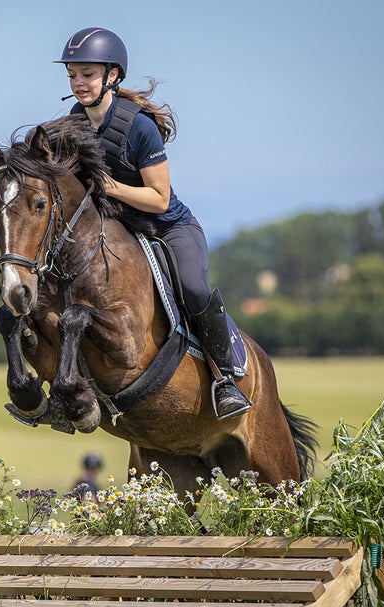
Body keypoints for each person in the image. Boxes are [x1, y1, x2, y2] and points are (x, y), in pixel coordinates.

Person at [54, 27, 250, 420]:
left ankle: (225, 376)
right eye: (73, 75)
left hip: (167, 226)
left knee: (193, 289)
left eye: (87, 74)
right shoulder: (74, 123)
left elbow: (159, 197)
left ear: (112, 76)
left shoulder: (139, 126)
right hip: (119, 228)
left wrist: (109, 187)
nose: (78, 83)